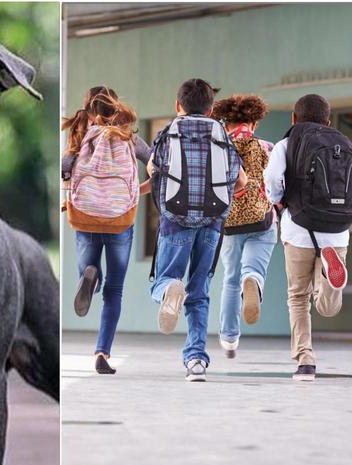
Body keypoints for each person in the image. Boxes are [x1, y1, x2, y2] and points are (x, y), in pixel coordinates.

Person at [264, 94, 352, 381]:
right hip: (337, 233)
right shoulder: (342, 142)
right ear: (328, 120)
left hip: (298, 229)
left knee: (298, 297)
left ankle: (306, 359)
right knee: (327, 307)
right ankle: (329, 280)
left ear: (294, 119)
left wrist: (278, 200)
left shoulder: (286, 144)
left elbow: (273, 178)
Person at [145, 79, 247, 381]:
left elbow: (153, 169)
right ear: (212, 107)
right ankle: (196, 361)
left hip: (175, 219)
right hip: (213, 222)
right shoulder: (221, 134)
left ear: (178, 106)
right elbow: (240, 180)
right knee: (199, 291)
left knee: (163, 279)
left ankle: (168, 290)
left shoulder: (169, 132)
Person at [62, 86, 151, 374]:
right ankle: (102, 352)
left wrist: (67, 193)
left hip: (86, 216)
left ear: (88, 109)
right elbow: (155, 165)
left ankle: (91, 275)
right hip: (120, 219)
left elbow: (65, 168)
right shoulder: (128, 137)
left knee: (87, 271)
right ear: (116, 108)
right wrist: (137, 192)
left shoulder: (80, 136)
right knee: (115, 291)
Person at [211, 94, 277, 359]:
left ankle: (229, 338)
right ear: (255, 122)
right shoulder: (265, 146)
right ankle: (254, 281)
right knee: (252, 269)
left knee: (230, 279)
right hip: (262, 219)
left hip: (229, 223)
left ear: (225, 122)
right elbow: (276, 186)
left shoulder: (219, 147)